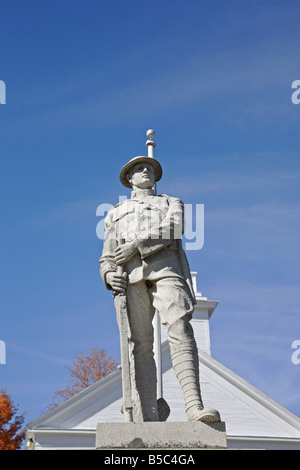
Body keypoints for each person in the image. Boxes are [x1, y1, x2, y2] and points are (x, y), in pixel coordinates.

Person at [99, 155, 220, 423]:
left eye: (150, 168)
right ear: (129, 178)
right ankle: (147, 415)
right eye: (138, 169)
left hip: (166, 270)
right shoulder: (115, 213)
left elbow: (174, 227)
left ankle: (194, 407)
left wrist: (136, 245)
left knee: (179, 329)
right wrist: (108, 274)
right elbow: (107, 253)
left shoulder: (170, 202)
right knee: (140, 344)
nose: (145, 171)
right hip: (130, 278)